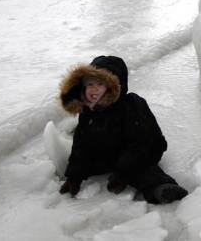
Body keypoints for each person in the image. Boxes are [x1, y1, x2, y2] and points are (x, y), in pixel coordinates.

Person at [57, 56, 188, 205]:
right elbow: (82, 145)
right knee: (88, 159)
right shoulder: (89, 111)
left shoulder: (131, 105)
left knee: (142, 170)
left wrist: (122, 174)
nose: (94, 89)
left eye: (100, 84)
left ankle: (162, 188)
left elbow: (141, 144)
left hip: (143, 149)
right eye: (90, 84)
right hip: (111, 152)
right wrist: (74, 176)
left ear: (113, 86)